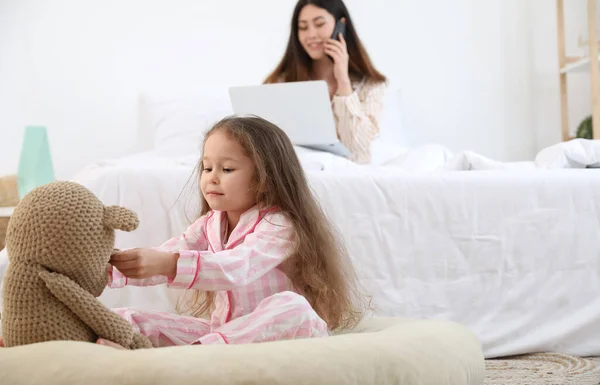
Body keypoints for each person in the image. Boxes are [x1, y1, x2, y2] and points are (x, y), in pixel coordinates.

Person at [12, 115, 362, 350]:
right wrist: (107, 271)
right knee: (124, 319)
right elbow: (168, 252)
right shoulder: (210, 223)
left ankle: (202, 353)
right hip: (221, 337)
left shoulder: (278, 225)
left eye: (226, 168)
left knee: (292, 307)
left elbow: (235, 267)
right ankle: (37, 341)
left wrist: (166, 264)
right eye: (207, 166)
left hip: (277, 332)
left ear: (264, 178)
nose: (211, 177)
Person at [265, 0, 388, 165]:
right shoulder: (280, 83)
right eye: (303, 27)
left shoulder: (371, 86)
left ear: (341, 25)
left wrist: (343, 82)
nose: (311, 35)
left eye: (319, 24)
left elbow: (358, 149)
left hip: (351, 177)